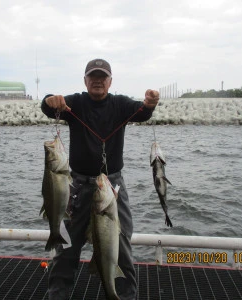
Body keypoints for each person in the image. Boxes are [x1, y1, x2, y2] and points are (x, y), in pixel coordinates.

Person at [41, 58, 159, 300]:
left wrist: (150, 104)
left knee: (121, 245)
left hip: (112, 185)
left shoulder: (120, 104)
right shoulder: (76, 102)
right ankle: (57, 295)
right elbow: (47, 107)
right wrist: (49, 99)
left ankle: (123, 295)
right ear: (85, 81)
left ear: (110, 81)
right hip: (78, 184)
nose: (97, 80)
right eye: (92, 76)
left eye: (102, 77)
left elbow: (143, 113)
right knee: (66, 248)